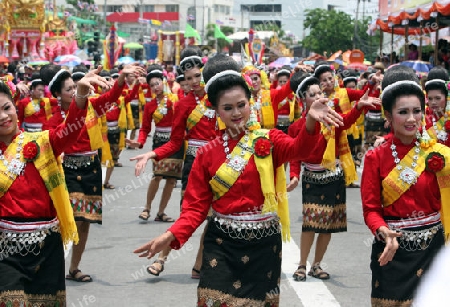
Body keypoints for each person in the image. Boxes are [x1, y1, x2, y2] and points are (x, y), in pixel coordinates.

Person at [133, 53, 344, 306]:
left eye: (241, 105)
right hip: (221, 244)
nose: (236, 113)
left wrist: (310, 120)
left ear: (250, 103)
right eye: (228, 108)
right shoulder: (206, 154)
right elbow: (195, 208)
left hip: (264, 244)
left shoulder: (269, 139)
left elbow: (302, 150)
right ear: (216, 110)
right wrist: (171, 235)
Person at [0, 70, 109, 305]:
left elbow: (68, 131)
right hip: (5, 250)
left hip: (46, 247)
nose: (3, 116)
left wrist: (80, 96)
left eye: (6, 108)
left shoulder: (41, 141)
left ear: (14, 108)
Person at [41, 63, 146, 283]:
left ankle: (74, 267)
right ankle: (52, 264)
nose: (75, 91)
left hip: (91, 167)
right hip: (67, 171)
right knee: (68, 220)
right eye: (69, 89)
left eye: (76, 87)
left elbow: (111, 97)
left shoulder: (91, 106)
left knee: (86, 220)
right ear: (58, 94)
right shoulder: (52, 118)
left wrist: (120, 80)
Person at [361, 65, 449, 306]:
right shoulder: (375, 157)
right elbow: (370, 210)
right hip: (392, 250)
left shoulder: (437, 153)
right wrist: (383, 230)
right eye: (403, 112)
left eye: (417, 111)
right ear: (388, 116)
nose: (412, 119)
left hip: (433, 249)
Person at [129, 47, 217, 278]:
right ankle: (161, 260)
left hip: (219, 164)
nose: (194, 81)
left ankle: (199, 264)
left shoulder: (218, 98)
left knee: (214, 217)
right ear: (183, 82)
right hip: (194, 166)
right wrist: (152, 154)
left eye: (198, 76)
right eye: (189, 79)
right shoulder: (183, 105)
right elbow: (175, 142)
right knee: (187, 215)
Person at [288, 73, 380, 282]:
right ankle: (302, 265)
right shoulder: (297, 127)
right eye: (313, 94)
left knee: (328, 225)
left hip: (334, 177)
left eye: (320, 91)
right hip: (313, 177)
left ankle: (317, 265)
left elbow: (346, 123)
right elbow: (295, 156)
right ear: (304, 100)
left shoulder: (332, 116)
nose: (319, 95)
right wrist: (294, 176)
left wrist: (359, 107)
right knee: (311, 224)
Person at [126, 65, 182, 222]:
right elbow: (144, 128)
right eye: (152, 85)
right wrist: (139, 142)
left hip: (175, 142)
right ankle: (147, 207)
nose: (155, 87)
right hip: (159, 141)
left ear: (164, 82)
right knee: (157, 176)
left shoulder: (176, 100)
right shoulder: (150, 106)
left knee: (171, 180)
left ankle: (161, 212)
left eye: (158, 83)